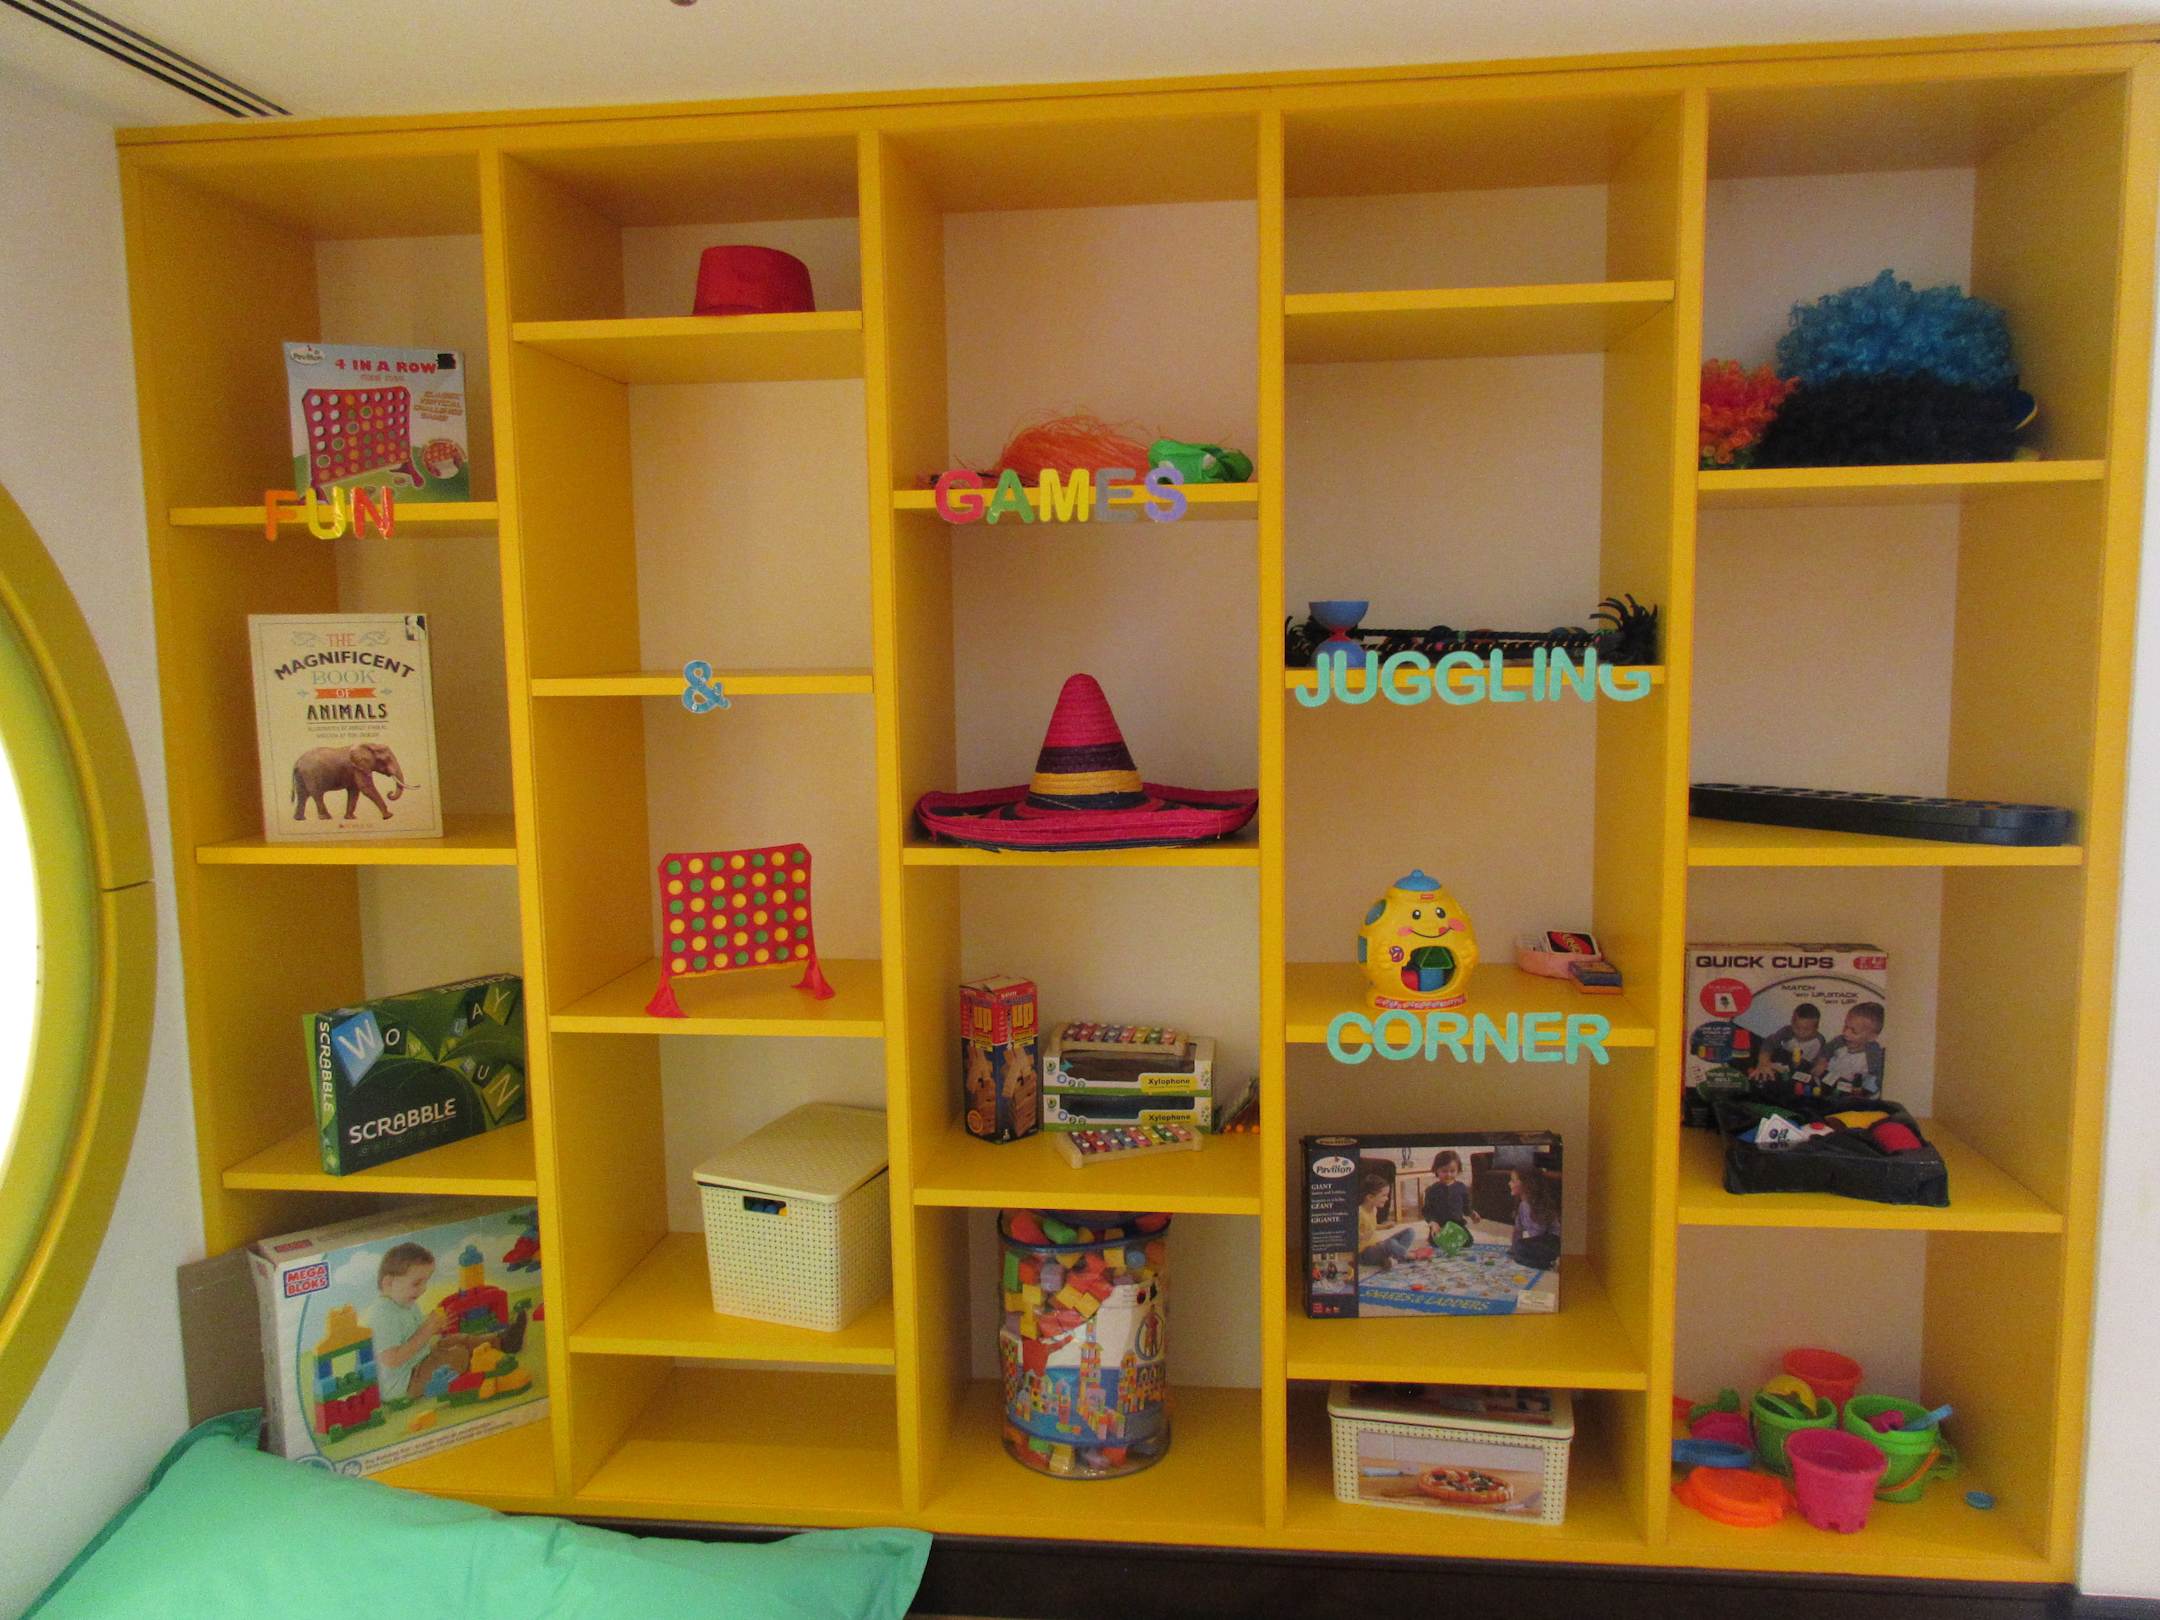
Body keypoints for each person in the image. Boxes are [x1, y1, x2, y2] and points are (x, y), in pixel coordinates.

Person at [366, 1242, 447, 1403]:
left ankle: (495, 1340)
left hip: (420, 1362)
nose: (424, 1289)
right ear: (389, 1283)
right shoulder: (383, 1314)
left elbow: (415, 1332)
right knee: (457, 1355)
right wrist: (427, 1330)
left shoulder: (407, 1302)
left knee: (455, 1341)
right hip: (404, 1383)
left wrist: (434, 1326)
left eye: (426, 1281)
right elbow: (391, 1360)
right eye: (416, 1283)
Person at [1357, 1172, 1429, 1270]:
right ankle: (1411, 1255)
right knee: (1390, 1243)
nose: (1387, 1199)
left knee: (1409, 1232)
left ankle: (1392, 1259)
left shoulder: (1374, 1209)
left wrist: (1385, 1226)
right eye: (1384, 1195)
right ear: (1370, 1197)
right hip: (1364, 1253)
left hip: (1378, 1246)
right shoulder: (1359, 1213)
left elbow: (1372, 1226)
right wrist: (1362, 1236)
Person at [1812, 1002, 1886, 1098]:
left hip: (1847, 1093)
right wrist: (1821, 1061)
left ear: (1871, 1037)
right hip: (1825, 1081)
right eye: (1846, 1026)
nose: (1846, 1033)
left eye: (1854, 1031)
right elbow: (1826, 1050)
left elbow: (1877, 1079)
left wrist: (1864, 1094)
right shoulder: (1840, 1040)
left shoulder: (1874, 1055)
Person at [1750, 1002, 1825, 1082]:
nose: (1801, 1032)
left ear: (1816, 1028)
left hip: (1803, 1071)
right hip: (1783, 1064)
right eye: (1797, 1027)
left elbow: (1820, 1059)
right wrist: (1763, 1062)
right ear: (1792, 1022)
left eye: (1806, 1029)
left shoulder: (1820, 1040)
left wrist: (1819, 1065)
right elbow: (1769, 1042)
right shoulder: (1787, 1031)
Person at [1508, 1168, 1561, 1270]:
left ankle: (1550, 1264)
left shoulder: (1539, 1205)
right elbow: (1517, 1230)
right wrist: (1514, 1247)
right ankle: (1546, 1262)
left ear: (1526, 1184)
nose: (1509, 1183)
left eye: (1513, 1181)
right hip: (1538, 1242)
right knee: (1519, 1250)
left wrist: (1523, 1246)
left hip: (1553, 1242)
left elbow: (1539, 1233)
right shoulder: (1522, 1205)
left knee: (1521, 1248)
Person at [1419, 1149, 1473, 1229]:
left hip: (1458, 1225)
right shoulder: (1432, 1190)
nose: (1448, 1174)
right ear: (1436, 1170)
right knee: (1437, 1237)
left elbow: (1466, 1206)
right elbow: (1427, 1211)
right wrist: (1432, 1222)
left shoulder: (1461, 1187)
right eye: (1444, 1171)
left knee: (1467, 1237)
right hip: (1439, 1227)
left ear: (1458, 1170)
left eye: (1452, 1171)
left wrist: (1472, 1214)